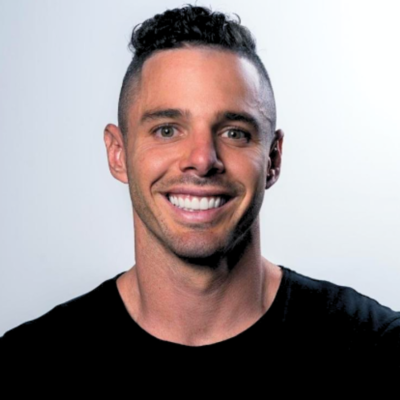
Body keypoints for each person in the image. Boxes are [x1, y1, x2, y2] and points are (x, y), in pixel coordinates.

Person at [1, 4, 399, 383]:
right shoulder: (30, 360)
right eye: (167, 130)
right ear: (118, 153)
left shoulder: (375, 348)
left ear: (273, 159)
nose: (202, 159)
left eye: (234, 133)